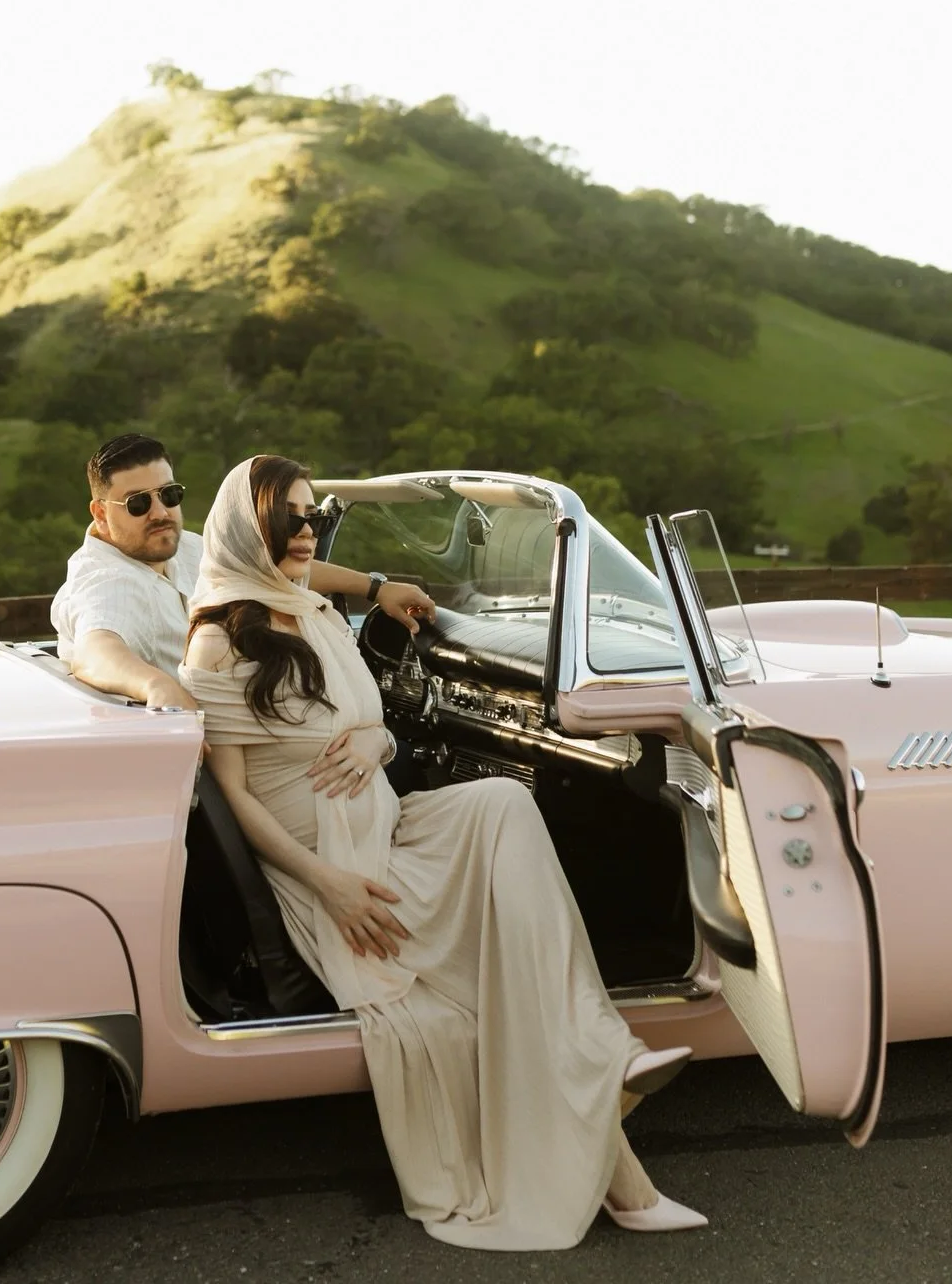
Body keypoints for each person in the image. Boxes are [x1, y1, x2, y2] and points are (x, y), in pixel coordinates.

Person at [180, 453, 706, 1250]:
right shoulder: (221, 643)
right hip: (331, 866)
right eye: (289, 518)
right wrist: (332, 888)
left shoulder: (311, 607)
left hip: (390, 828)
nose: (307, 531)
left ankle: (604, 1059)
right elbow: (237, 797)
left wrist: (381, 735)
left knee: (504, 803)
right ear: (247, 527)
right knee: (475, 996)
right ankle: (622, 1161)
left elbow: (374, 714)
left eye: (314, 516)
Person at [51, 433, 436, 724]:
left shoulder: (184, 546)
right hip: (202, 756)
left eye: (169, 495)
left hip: (248, 717)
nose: (160, 512)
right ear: (100, 513)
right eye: (138, 503)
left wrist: (376, 588)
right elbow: (94, 652)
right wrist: (158, 687)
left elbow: (268, 567)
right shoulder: (105, 580)